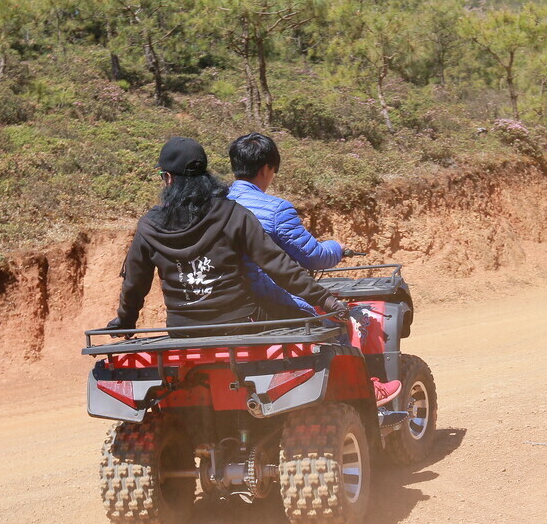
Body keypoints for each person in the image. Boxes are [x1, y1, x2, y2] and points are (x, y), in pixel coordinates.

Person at [105, 136, 402, 407]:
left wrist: (125, 320)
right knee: (325, 329)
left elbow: (135, 281)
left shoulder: (149, 225)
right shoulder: (232, 214)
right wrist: (325, 301)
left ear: (167, 178)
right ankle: (363, 391)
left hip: (182, 327)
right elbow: (280, 267)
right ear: (206, 174)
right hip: (242, 322)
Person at [227, 133, 345, 319]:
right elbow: (314, 257)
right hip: (269, 302)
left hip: (228, 303)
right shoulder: (276, 209)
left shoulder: (215, 205)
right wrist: (337, 248)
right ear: (266, 169)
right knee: (339, 328)